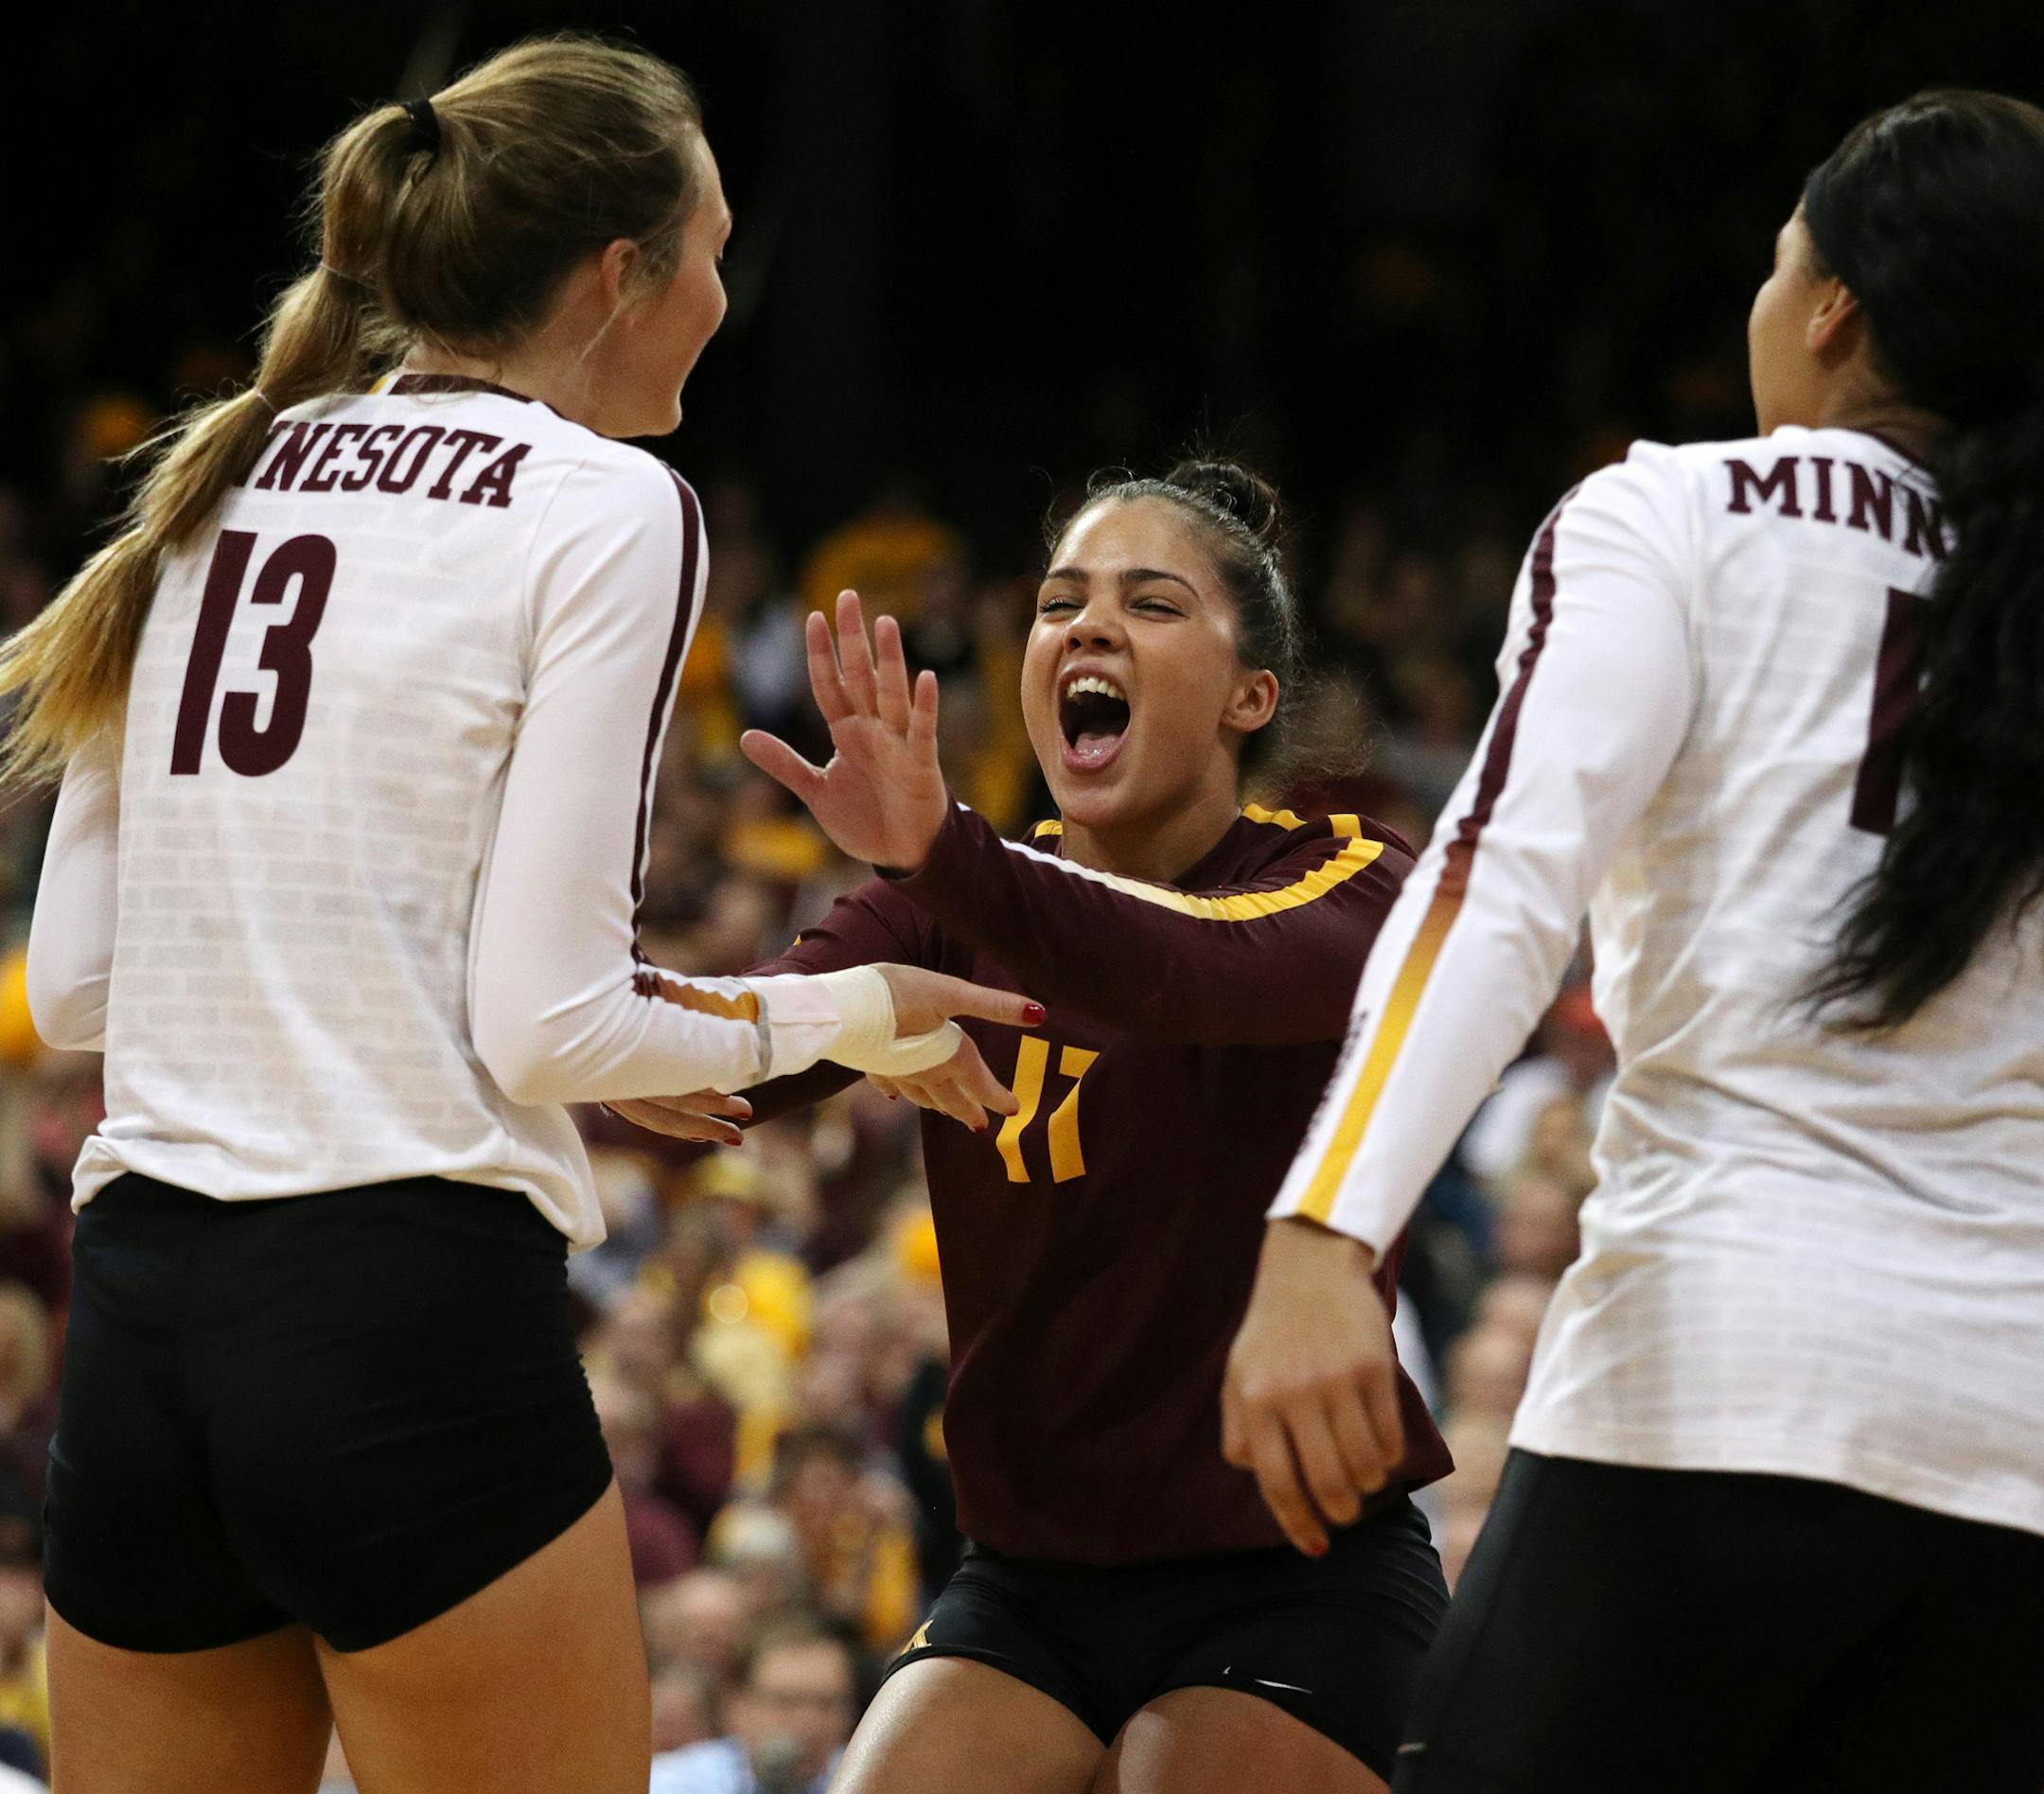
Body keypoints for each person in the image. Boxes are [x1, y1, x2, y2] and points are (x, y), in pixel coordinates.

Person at [2, 37, 1033, 1794]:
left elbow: (85, 985)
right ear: (619, 276)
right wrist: (859, 1013)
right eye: (712, 253)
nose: (723, 298)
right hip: (402, 1323)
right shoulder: (608, 505)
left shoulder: (211, 476)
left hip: (146, 1322)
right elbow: (550, 1027)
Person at [1225, 90, 2044, 1791]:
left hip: (1718, 1374)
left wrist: (1328, 1225)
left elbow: (1501, 880)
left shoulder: (1680, 514)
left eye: (1775, 262)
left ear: (1835, 307)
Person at [634, 462, 1454, 1793]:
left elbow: (1177, 969)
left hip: (1297, 1572)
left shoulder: (1347, 879)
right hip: (1030, 1582)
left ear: (1253, 697)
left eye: (1152, 602)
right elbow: (712, 1068)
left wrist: (945, 856)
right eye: (1062, 599)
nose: (1087, 625)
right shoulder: (950, 897)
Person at [647, 1614, 858, 1794]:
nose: (810, 1724)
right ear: (739, 1708)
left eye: (827, 1705)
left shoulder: (870, 1780)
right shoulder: (674, 1784)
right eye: (787, 1702)